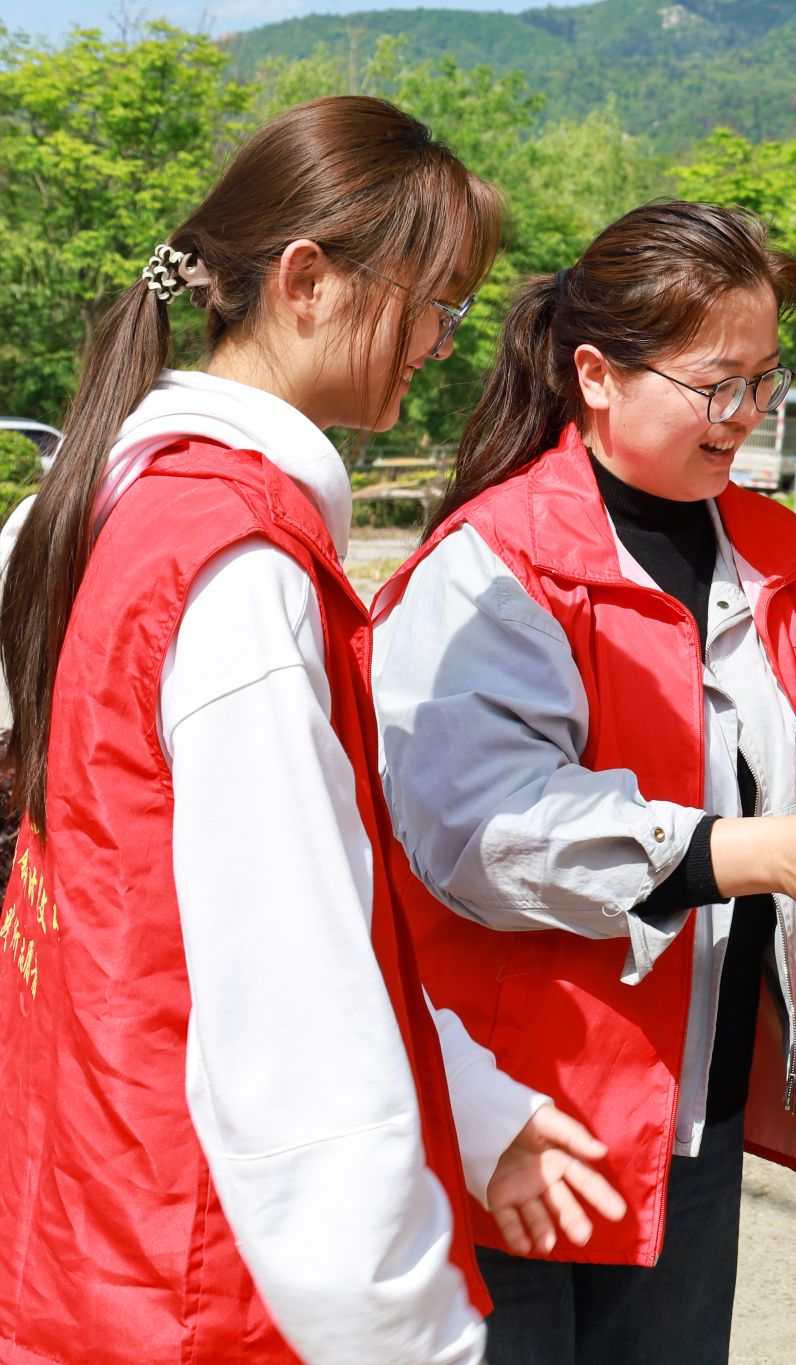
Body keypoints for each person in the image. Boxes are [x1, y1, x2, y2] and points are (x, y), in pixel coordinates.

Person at [0, 97, 622, 1365]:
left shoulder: (95, 502)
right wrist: (404, 1325)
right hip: (207, 1274)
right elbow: (289, 995)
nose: (440, 342)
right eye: (435, 303)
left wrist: (466, 1100)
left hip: (85, 1215)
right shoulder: (238, 568)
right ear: (305, 281)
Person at [373, 199, 796, 1364]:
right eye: (715, 386)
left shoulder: (783, 560)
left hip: (691, 1111)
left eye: (762, 381)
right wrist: (751, 852)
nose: (747, 417)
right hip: (518, 1112)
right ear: (595, 375)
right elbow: (483, 831)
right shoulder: (493, 565)